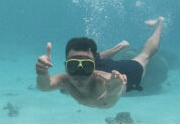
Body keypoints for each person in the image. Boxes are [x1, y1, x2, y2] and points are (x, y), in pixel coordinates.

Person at [35, 17, 164, 108]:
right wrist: (42, 73)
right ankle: (119, 47)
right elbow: (45, 86)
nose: (79, 74)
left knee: (145, 56)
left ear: (94, 66)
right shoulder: (65, 79)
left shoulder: (105, 81)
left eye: (87, 66)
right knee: (85, 60)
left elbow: (113, 85)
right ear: (66, 66)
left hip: (122, 71)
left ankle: (159, 25)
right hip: (96, 66)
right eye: (73, 65)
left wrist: (115, 88)